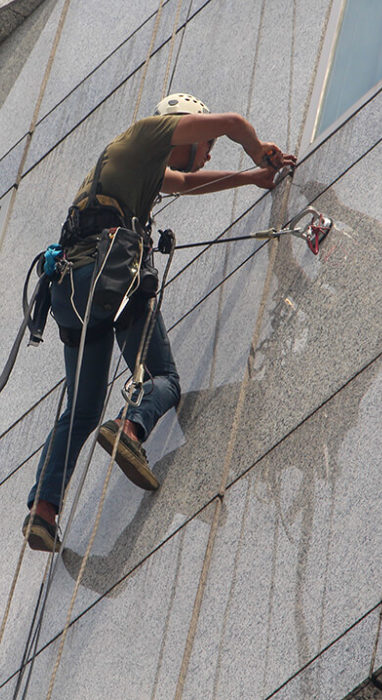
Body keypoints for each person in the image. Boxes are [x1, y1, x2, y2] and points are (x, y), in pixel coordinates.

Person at [22, 94, 296, 552]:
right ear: (184, 128)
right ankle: (131, 428)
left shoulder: (133, 167)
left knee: (82, 410)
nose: (208, 152)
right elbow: (233, 122)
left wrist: (250, 179)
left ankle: (42, 511)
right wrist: (258, 150)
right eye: (204, 143)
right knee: (164, 378)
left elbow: (186, 181)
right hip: (111, 276)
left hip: (71, 290)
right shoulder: (145, 134)